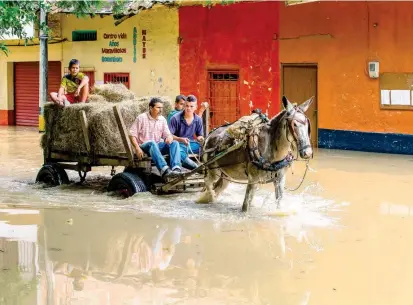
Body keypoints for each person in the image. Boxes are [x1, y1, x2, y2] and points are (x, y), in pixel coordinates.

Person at [129, 97, 182, 181]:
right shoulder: (141, 118)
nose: (160, 110)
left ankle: (176, 169)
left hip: (156, 146)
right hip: (144, 146)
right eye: (158, 107)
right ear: (150, 108)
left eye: (161, 108)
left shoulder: (162, 119)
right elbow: (132, 134)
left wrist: (168, 137)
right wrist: (137, 148)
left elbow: (167, 134)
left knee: (175, 143)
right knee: (152, 143)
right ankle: (165, 170)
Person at [169, 94, 204, 170]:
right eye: (187, 106)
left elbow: (199, 135)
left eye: (191, 106)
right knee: (178, 151)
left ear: (196, 107)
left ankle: (210, 168)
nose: (188, 108)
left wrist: (200, 138)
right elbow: (169, 136)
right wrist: (181, 139)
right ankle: (196, 168)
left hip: (191, 144)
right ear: (184, 106)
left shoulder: (198, 119)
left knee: (207, 148)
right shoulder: (175, 118)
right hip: (178, 144)